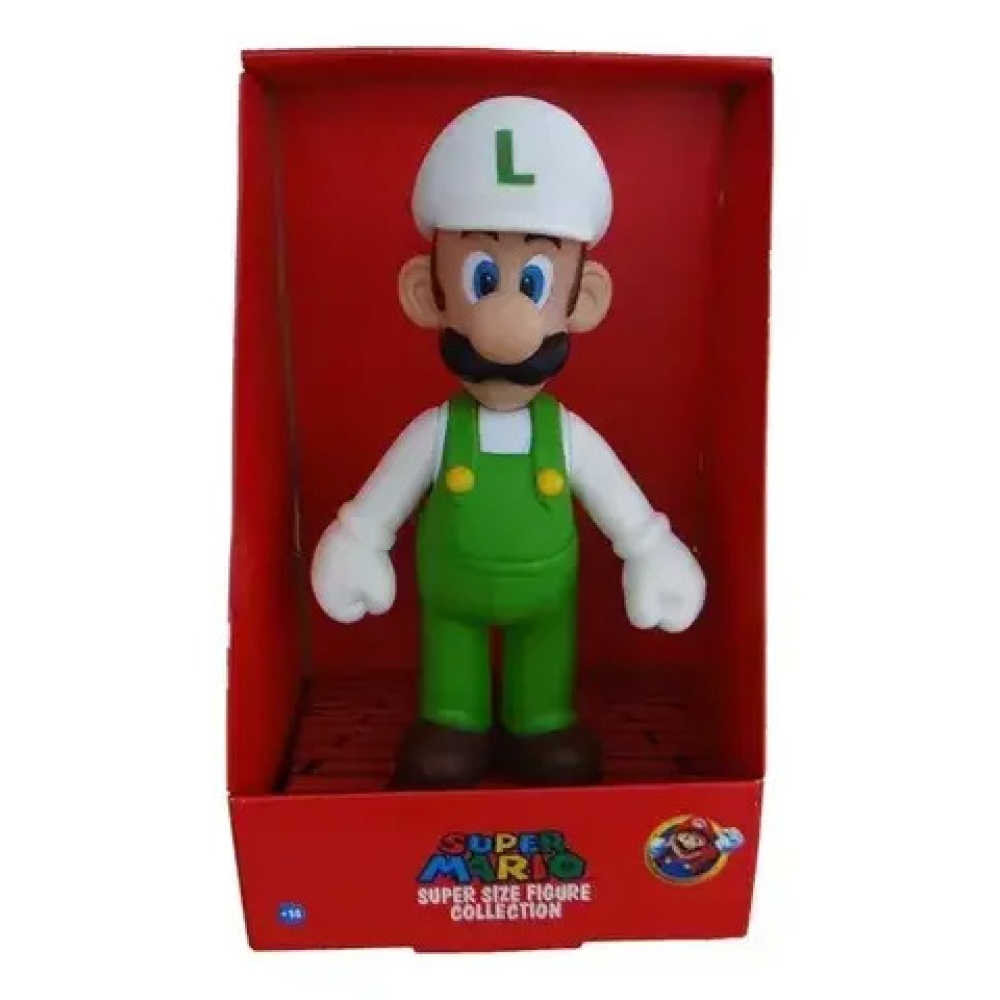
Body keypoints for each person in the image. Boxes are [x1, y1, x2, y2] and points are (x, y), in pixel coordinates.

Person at [311, 95, 706, 790]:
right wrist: (359, 539)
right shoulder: (436, 433)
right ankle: (454, 716)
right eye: (482, 279)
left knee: (546, 682)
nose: (505, 326)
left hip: (547, 600)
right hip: (452, 597)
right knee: (449, 689)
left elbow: (624, 509)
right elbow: (379, 504)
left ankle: (540, 718)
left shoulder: (569, 437)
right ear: (427, 291)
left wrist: (650, 548)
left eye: (534, 282)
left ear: (584, 299)